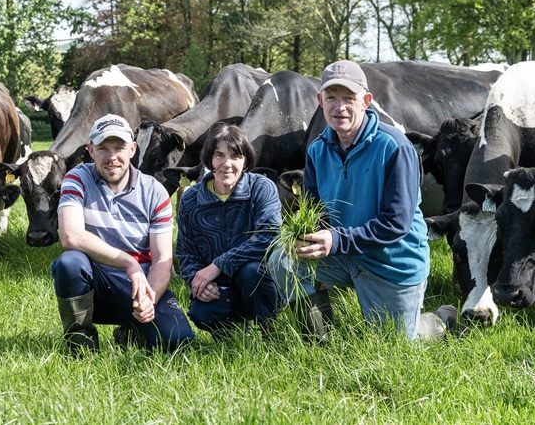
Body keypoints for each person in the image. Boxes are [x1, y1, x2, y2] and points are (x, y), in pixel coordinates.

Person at [268, 60, 456, 341]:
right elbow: (317, 212)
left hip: (391, 261)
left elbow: (397, 222)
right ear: (320, 100)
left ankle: (441, 319)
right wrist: (309, 238)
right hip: (343, 253)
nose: (339, 107)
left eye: (349, 98)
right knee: (282, 258)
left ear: (366, 101)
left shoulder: (394, 147)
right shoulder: (318, 150)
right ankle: (320, 339)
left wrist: (337, 241)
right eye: (331, 98)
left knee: (398, 344)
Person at [51, 113, 195, 354]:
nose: (112, 157)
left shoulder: (155, 193)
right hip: (95, 277)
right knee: (70, 262)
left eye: (119, 147)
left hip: (140, 284)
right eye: (103, 148)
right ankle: (81, 341)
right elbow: (71, 236)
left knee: (177, 340)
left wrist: (150, 297)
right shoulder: (77, 179)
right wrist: (129, 262)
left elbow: (162, 260)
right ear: (90, 149)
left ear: (132, 149)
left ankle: (131, 329)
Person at [175, 123, 282, 337]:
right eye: (219, 155)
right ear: (209, 160)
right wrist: (198, 281)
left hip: (259, 282)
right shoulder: (191, 199)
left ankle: (270, 330)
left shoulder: (261, 187)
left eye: (235, 156)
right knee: (201, 313)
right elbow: (185, 253)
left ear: (246, 160)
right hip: (221, 287)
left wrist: (219, 264)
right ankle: (235, 336)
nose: (227, 164)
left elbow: (268, 235)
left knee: (252, 272)